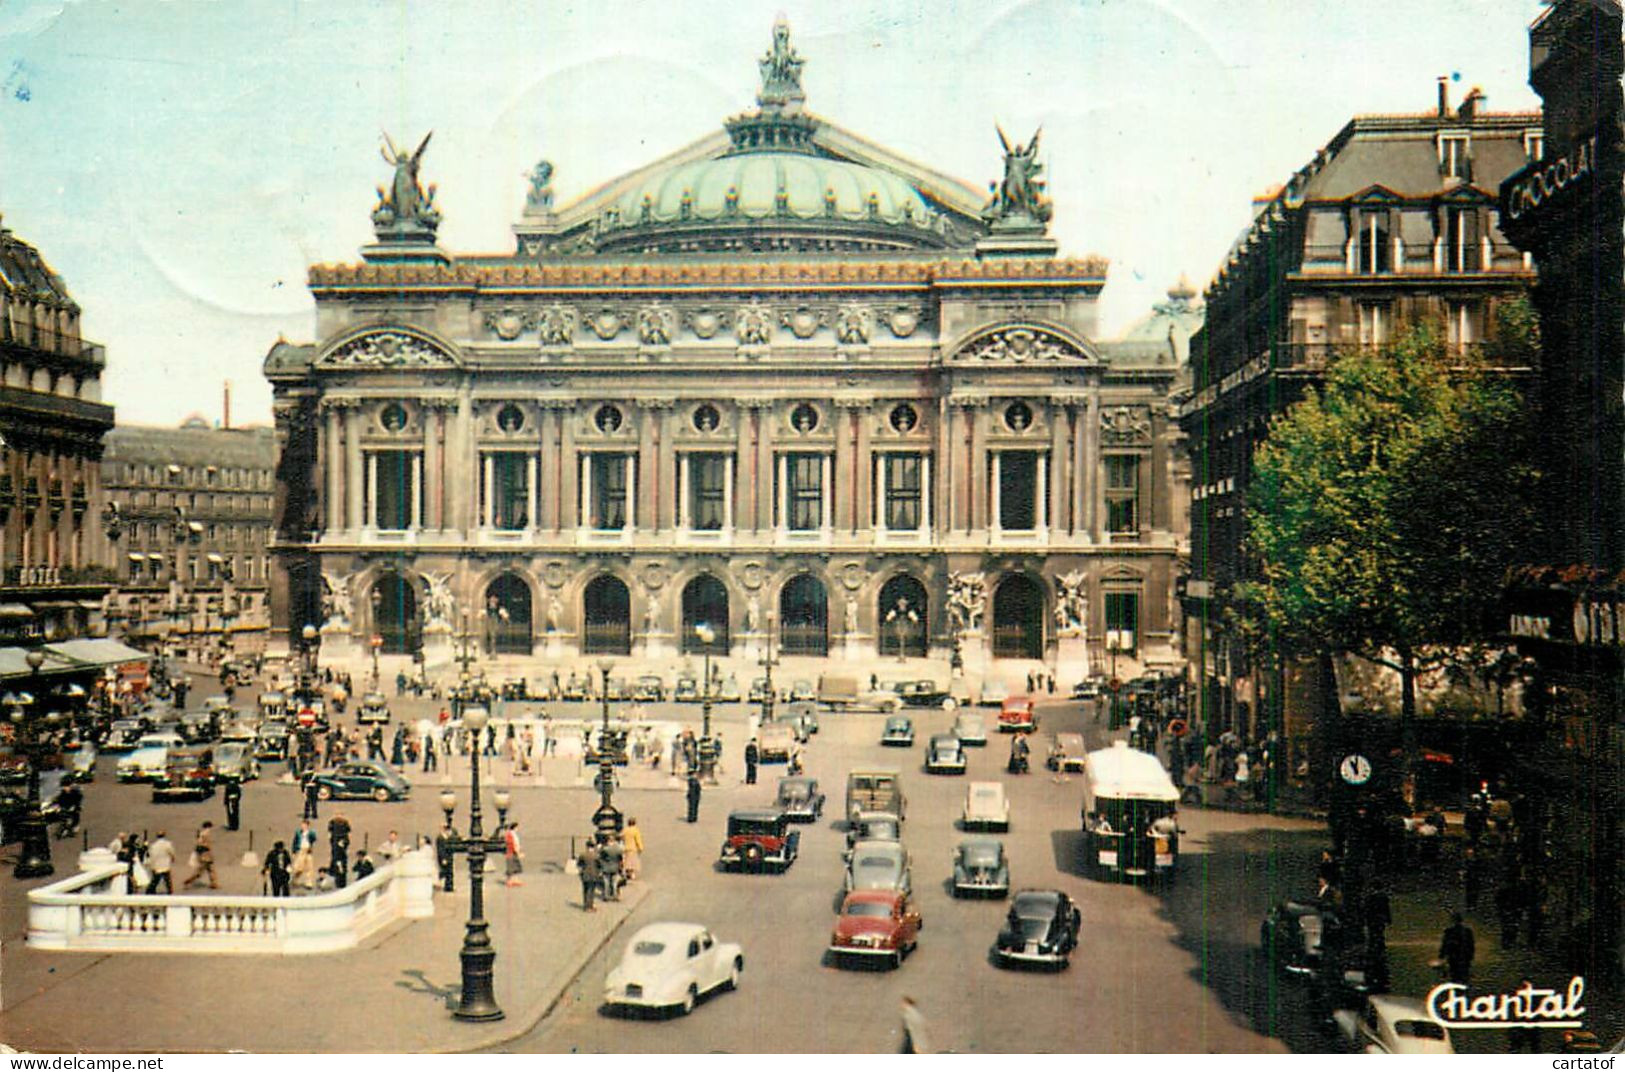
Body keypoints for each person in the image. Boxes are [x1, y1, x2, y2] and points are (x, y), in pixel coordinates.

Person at [1439, 911, 1475, 985]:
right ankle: (1463, 985)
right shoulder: (1467, 931)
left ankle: (1456, 985)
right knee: (1463, 972)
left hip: (1454, 955)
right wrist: (1471, 954)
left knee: (1454, 972)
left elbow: (1445, 944)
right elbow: (1471, 944)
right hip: (1464, 955)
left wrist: (1442, 954)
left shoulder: (1449, 931)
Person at [183, 822, 218, 889]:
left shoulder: (205, 833)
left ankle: (214, 884)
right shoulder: (204, 834)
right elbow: (200, 844)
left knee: (211, 869)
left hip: (207, 854)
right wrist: (205, 848)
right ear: (208, 827)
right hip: (205, 855)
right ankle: (188, 881)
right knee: (200, 872)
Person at [146, 830, 176, 895]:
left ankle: (150, 890)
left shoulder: (154, 845)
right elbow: (171, 852)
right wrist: (173, 858)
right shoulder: (167, 844)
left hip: (156, 865)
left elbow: (151, 855)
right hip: (165, 864)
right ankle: (170, 892)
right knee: (167, 880)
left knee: (155, 880)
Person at [292, 819, 319, 890]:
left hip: (308, 851)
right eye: (302, 825)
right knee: (299, 867)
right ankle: (295, 879)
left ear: (307, 826)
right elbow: (294, 842)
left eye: (304, 825)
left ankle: (309, 883)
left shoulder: (310, 833)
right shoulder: (298, 833)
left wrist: (312, 835)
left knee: (309, 867)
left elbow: (314, 839)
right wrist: (294, 851)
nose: (303, 826)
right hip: (301, 851)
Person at [328, 812, 352, 888]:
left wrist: (346, 841)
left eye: (340, 815)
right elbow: (329, 832)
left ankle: (341, 880)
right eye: (337, 814)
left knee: (341, 861)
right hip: (335, 840)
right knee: (335, 858)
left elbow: (348, 832)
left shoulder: (345, 822)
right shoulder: (332, 822)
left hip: (342, 840)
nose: (339, 816)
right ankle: (334, 873)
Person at [577, 839, 601, 912]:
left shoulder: (582, 855)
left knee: (585, 890)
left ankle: (585, 905)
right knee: (591, 891)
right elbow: (600, 865)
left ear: (587, 846)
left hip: (585, 874)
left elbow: (579, 864)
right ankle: (590, 906)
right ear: (593, 847)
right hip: (594, 874)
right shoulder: (596, 855)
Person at [599, 833, 623, 900]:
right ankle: (615, 895)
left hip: (606, 867)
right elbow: (620, 857)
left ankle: (606, 895)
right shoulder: (617, 849)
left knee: (606, 882)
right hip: (615, 867)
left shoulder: (605, 849)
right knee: (614, 882)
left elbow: (600, 856)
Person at [503, 821, 524, 887]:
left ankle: (513, 880)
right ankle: (510, 880)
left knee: (514, 866)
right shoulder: (511, 835)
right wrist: (518, 853)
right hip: (511, 852)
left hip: (511, 852)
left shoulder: (511, 834)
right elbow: (513, 844)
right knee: (511, 867)